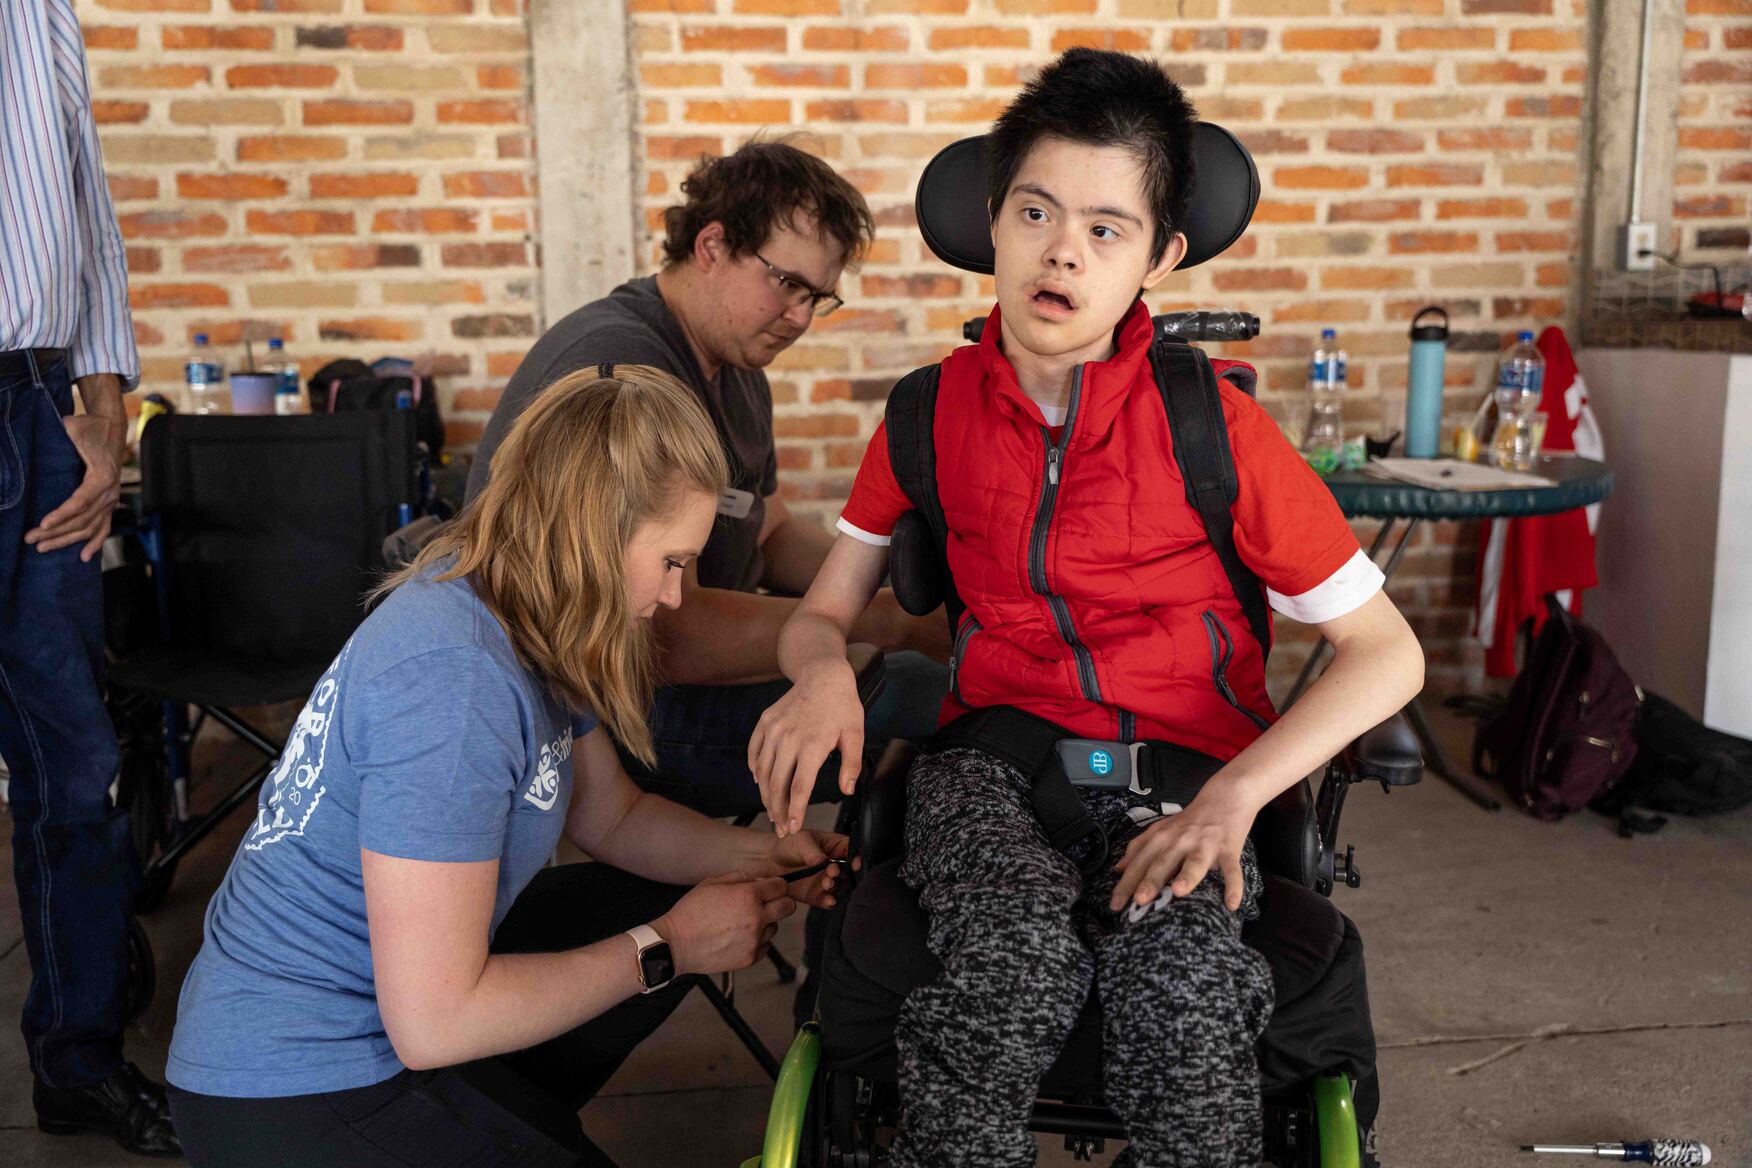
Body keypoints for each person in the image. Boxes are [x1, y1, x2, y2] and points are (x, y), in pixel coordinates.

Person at [750, 50, 1425, 1168]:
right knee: (1014, 963)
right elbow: (821, 613)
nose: (1064, 248)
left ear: (1161, 254)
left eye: (1108, 229)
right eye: (1036, 211)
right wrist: (820, 668)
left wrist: (1236, 799)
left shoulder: (1219, 431)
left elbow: (1384, 654)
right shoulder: (926, 415)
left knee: (1188, 995)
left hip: (1191, 775)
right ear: (993, 222)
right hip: (989, 766)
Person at [165, 366, 850, 1167]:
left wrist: (769, 857)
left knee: (652, 890)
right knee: (650, 929)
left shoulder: (519, 605)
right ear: (593, 535)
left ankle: (507, 1109)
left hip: (393, 1019)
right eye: (671, 562)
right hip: (294, 1082)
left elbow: (612, 817)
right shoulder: (456, 684)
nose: (673, 597)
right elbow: (433, 1024)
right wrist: (667, 947)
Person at [468, 138, 949, 820]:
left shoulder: (738, 370)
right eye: (787, 284)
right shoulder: (629, 369)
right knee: (922, 696)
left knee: (912, 676)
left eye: (819, 298)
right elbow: (668, 632)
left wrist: (899, 584)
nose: (802, 318)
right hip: (596, 715)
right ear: (713, 245)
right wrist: (890, 624)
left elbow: (770, 532)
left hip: (662, 680)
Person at [0, 1, 179, 1156]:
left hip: (32, 402)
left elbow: (85, 197)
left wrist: (105, 408)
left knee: (79, 761)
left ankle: (76, 1059)